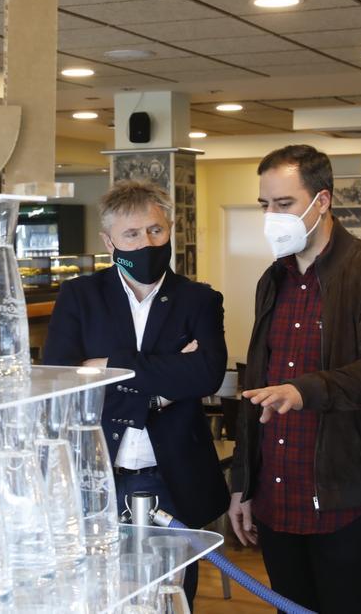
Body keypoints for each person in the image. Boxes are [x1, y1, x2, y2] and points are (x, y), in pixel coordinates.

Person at [228, 145, 361, 613]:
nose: (272, 216)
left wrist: (303, 391)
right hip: (277, 495)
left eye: (284, 204)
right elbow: (257, 384)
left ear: (322, 201)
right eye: (265, 205)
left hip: (345, 495)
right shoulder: (273, 279)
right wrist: (243, 485)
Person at [42, 179, 229, 606]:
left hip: (173, 478)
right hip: (98, 477)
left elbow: (205, 376)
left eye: (155, 231)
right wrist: (161, 389)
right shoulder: (79, 296)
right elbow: (63, 383)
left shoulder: (199, 299)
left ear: (169, 230)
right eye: (132, 234)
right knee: (103, 596)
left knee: (173, 597)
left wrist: (104, 367)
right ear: (109, 240)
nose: (146, 243)